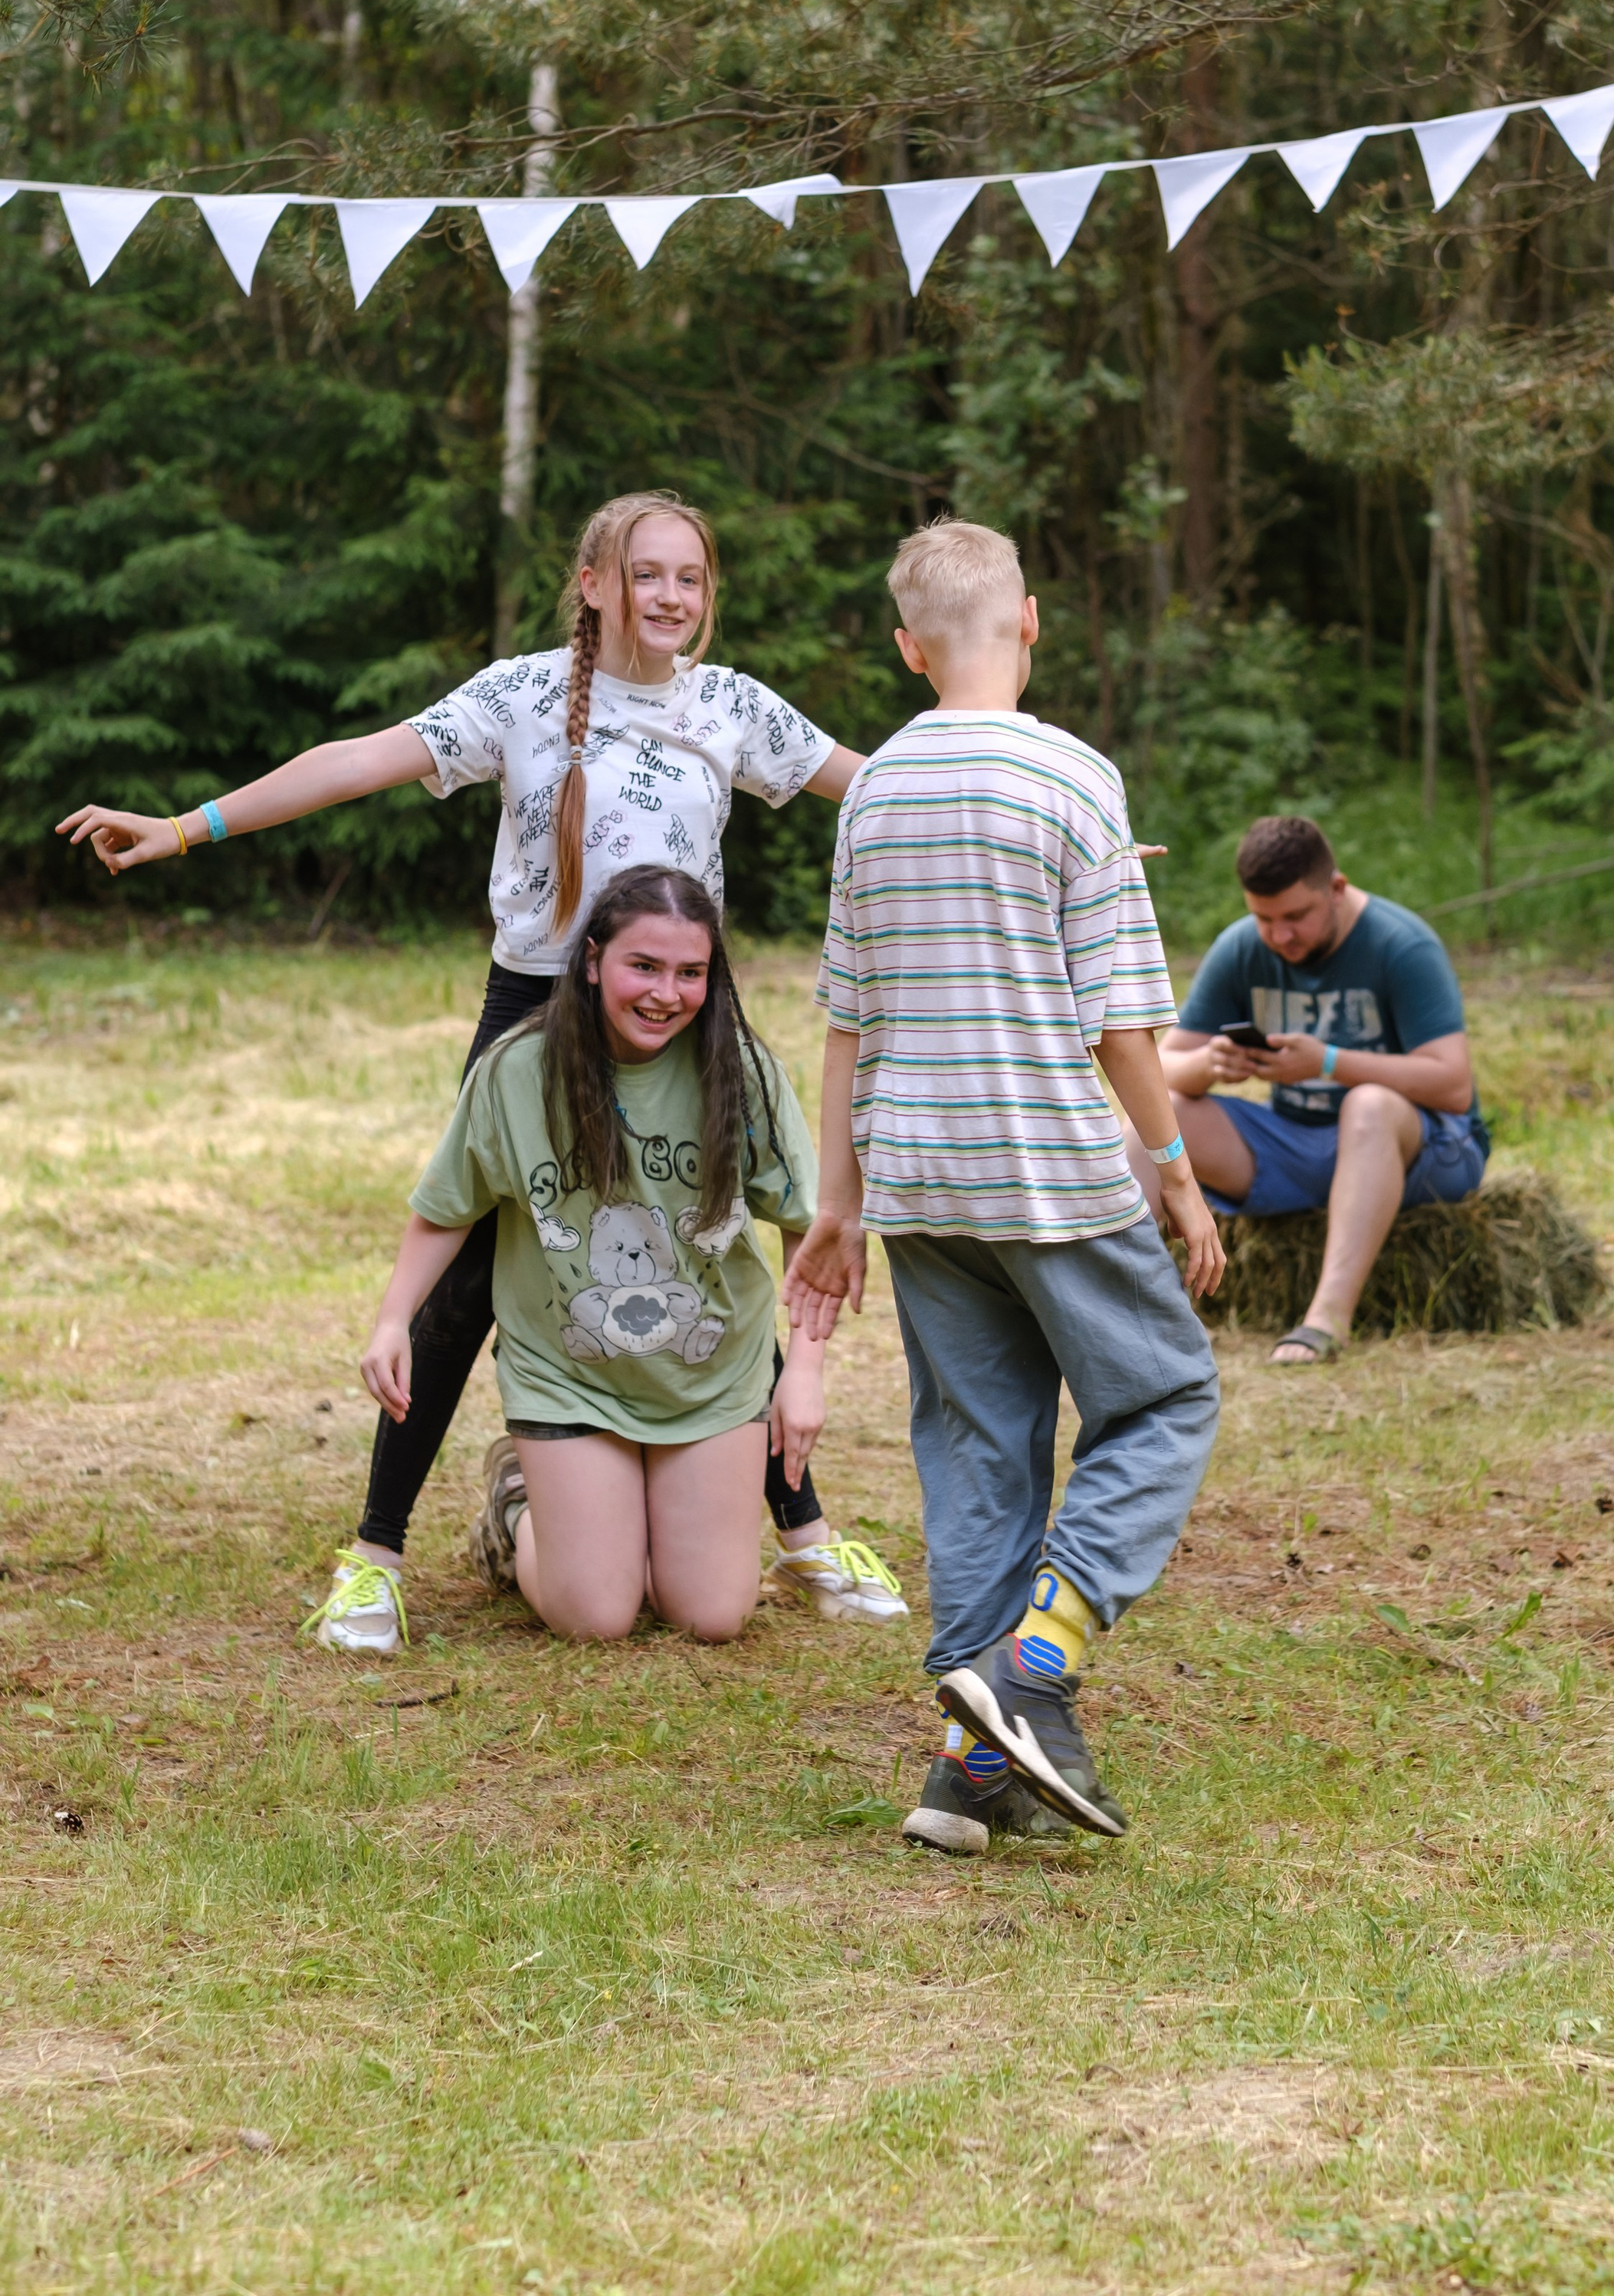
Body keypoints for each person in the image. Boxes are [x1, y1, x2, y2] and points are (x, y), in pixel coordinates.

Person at [56, 488, 907, 1647]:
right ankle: (376, 1555)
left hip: (683, 1009)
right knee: (464, 1281)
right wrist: (187, 826)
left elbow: (885, 784)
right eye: (646, 574)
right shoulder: (519, 696)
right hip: (539, 1013)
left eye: (690, 578)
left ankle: (802, 1532)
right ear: (592, 585)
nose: (671, 597)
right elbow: (355, 761)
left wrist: (1047, 818)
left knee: (705, 1257)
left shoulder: (730, 706)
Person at [784, 518, 1225, 1856]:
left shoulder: (874, 793)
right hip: (1049, 1171)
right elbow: (1121, 1024)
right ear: (1030, 621)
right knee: (1166, 1397)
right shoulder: (1073, 777)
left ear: (907, 648)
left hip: (919, 1179)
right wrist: (1176, 1173)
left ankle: (972, 1773)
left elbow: (846, 1019)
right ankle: (1041, 1659)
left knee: (979, 1449)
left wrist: (839, 1204)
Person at [349, 864, 821, 1642]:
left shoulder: (742, 1072)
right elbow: (445, 1209)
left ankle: (625, 1523)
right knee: (596, 1617)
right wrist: (393, 1320)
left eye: (690, 972)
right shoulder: (516, 1069)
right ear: (594, 960)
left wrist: (801, 1370)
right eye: (645, 966)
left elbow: (807, 1225)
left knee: (711, 1615)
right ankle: (516, 1505)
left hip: (710, 1375)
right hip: (568, 1374)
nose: (666, 993)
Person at [1125, 813, 1488, 1364]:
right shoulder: (1242, 947)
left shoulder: (1403, 944)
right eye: (1264, 919)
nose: (1279, 936)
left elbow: (1454, 1085)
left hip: (1425, 1154)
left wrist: (1329, 1063)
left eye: (1296, 916)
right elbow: (1164, 1069)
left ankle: (1326, 1321)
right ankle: (1112, 1310)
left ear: (1337, 889)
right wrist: (1210, 1062)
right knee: (1160, 1114)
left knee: (1369, 1106)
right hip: (1298, 1145)